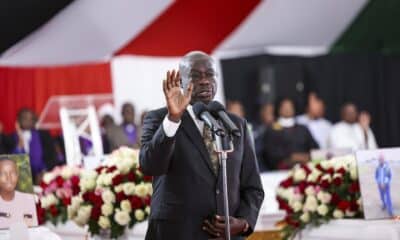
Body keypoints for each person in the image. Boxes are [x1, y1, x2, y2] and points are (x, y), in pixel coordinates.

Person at [139, 51, 264, 240]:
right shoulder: (158, 119)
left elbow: (252, 186)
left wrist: (244, 222)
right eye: (196, 76)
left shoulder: (236, 124)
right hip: (177, 234)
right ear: (181, 82)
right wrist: (173, 118)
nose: (205, 81)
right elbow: (150, 165)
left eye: (210, 74)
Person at [262, 98, 318, 170]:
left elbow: (315, 147)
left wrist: (306, 156)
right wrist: (291, 157)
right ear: (278, 109)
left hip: (305, 168)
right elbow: (270, 153)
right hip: (280, 170)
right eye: (284, 107)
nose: (287, 109)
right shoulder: (271, 130)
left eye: (290, 106)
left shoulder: (303, 128)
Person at [11, 108, 57, 183]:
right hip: (21, 180)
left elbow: (52, 156)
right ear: (18, 120)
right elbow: (10, 162)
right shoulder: (10, 139)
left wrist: (44, 171)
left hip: (43, 175)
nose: (28, 121)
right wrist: (19, 144)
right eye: (25, 118)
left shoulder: (44, 135)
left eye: (31, 118)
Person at [0, 156, 38, 228]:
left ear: (17, 176)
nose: (9, 177)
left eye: (12, 173)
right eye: (3, 173)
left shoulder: (29, 199)